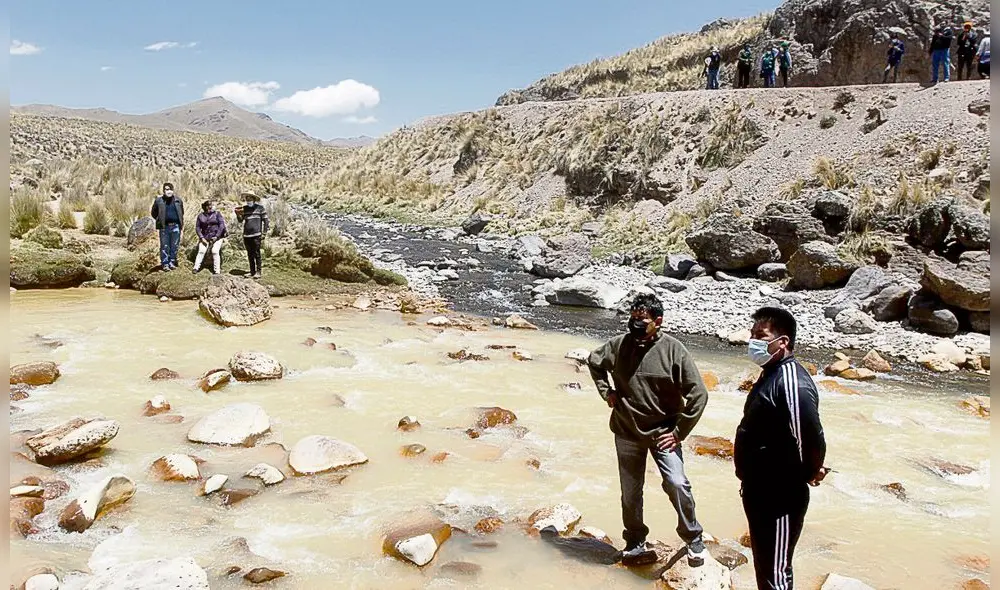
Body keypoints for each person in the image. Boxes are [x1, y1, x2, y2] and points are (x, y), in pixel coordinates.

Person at [587, 293, 709, 567]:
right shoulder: (619, 346)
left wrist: (679, 432)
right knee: (630, 491)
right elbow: (594, 362)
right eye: (633, 320)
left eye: (642, 321)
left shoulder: (674, 350)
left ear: (658, 321)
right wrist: (607, 392)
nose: (635, 325)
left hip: (664, 433)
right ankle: (634, 541)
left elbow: (698, 394)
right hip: (626, 431)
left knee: (677, 483)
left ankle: (693, 538)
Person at [734, 307, 828, 590]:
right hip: (760, 490)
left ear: (783, 341)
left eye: (760, 336)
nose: (753, 342)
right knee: (766, 566)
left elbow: (810, 435)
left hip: (780, 496)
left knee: (776, 573)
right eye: (752, 335)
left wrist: (811, 470)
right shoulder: (771, 373)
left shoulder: (791, 382)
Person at [234, 190, 269, 279]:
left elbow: (266, 221)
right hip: (246, 235)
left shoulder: (260, 208)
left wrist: (264, 233)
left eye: (249, 198)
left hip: (256, 235)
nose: (248, 200)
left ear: (253, 199)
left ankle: (258, 271)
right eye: (247, 199)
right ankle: (252, 271)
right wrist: (238, 214)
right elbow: (240, 220)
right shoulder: (244, 208)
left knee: (257, 253)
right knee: (250, 254)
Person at [150, 182, 184, 271]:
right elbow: (154, 213)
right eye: (167, 189)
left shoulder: (178, 200)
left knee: (174, 245)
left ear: (173, 190)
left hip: (176, 226)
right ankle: (165, 264)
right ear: (163, 190)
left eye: (170, 189)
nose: (169, 191)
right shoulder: (159, 201)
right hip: (164, 227)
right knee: (164, 246)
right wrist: (160, 220)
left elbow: (181, 212)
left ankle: (172, 262)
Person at [193, 200, 227, 275]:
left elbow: (222, 225)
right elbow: (198, 228)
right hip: (205, 237)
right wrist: (201, 238)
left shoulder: (217, 214)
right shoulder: (200, 216)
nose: (210, 207)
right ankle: (196, 268)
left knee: (215, 251)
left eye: (211, 205)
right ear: (205, 207)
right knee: (201, 250)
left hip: (217, 237)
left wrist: (217, 236)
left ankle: (217, 271)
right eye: (208, 205)